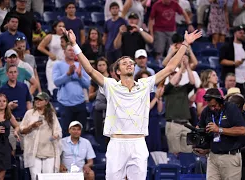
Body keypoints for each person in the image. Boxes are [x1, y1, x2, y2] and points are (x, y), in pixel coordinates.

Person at [62, 27, 202, 179]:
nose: (129, 64)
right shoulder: (110, 85)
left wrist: (185, 45)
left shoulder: (145, 84)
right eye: (124, 63)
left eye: (131, 63)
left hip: (138, 143)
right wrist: (75, 44)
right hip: (116, 143)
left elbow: (169, 68)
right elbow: (89, 70)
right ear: (117, 72)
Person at [193, 88, 245, 180]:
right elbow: (200, 128)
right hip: (212, 156)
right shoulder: (207, 111)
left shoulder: (231, 108)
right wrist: (201, 145)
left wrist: (219, 130)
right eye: (210, 106)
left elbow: (242, 130)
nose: (212, 108)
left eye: (214, 105)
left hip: (230, 157)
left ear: (220, 100)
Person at [20, 92, 62, 180]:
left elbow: (58, 130)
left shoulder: (52, 114)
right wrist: (32, 126)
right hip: (33, 152)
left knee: (48, 178)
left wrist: (55, 135)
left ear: (46, 102)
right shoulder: (29, 113)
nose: (37, 101)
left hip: (49, 151)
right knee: (35, 177)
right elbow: (22, 130)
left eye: (40, 100)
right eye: (36, 99)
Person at [0, 93, 20, 180]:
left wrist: (16, 132)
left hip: (5, 147)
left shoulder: (9, 116)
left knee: (1, 177)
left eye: (4, 101)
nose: (2, 103)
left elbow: (17, 126)